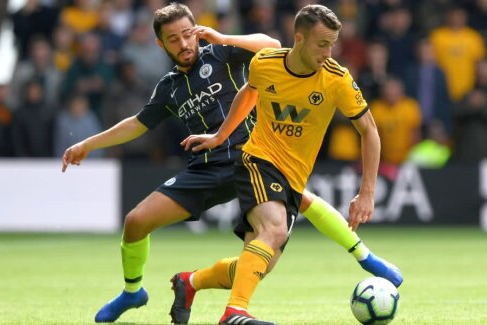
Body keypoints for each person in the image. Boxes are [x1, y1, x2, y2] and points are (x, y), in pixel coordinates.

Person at [61, 3, 402, 324]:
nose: (183, 43)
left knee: (266, 252)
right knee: (136, 222)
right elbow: (137, 123)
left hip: (252, 153)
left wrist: (222, 37)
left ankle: (194, 282)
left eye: (187, 33)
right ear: (161, 44)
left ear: (198, 30)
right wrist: (88, 144)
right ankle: (133, 293)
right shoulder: (170, 88)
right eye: (173, 39)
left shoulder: (223, 53)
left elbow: (270, 43)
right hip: (207, 168)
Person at [181, 4, 398, 324]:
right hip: (258, 159)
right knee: (274, 228)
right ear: (299, 38)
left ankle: (190, 282)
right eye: (322, 44)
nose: (329, 52)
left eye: (332, 44)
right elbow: (249, 93)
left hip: (293, 177)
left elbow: (369, 131)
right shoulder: (266, 63)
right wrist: (220, 136)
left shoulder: (337, 79)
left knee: (258, 265)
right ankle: (234, 313)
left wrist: (366, 192)